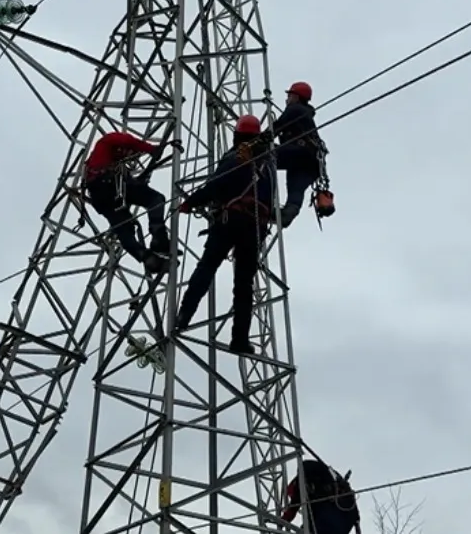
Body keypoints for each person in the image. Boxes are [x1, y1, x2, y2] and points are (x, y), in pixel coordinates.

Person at [173, 114, 273, 355]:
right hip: (254, 227)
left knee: (207, 266)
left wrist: (189, 203)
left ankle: (184, 315)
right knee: (244, 285)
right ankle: (240, 339)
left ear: (237, 135)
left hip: (230, 220)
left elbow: (215, 186)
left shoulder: (236, 156)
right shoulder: (268, 163)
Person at [83, 131, 179, 275]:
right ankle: (158, 237)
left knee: (124, 228)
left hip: (100, 197)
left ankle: (147, 258)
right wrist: (151, 149)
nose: (129, 156)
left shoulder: (94, 164)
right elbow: (127, 140)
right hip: (109, 185)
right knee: (155, 199)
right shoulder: (107, 143)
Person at [271, 81, 327, 228]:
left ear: (296, 97)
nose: (287, 100)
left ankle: (260, 201)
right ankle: (287, 215)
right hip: (311, 163)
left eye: (289, 96)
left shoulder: (295, 109)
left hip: (300, 153)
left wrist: (256, 142)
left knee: (264, 157)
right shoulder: (305, 114)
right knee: (295, 190)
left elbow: (276, 128)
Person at [281, 460, 360, 534]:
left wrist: (282, 520)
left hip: (329, 520)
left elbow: (293, 507)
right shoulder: (332, 479)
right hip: (344, 521)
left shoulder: (302, 483)